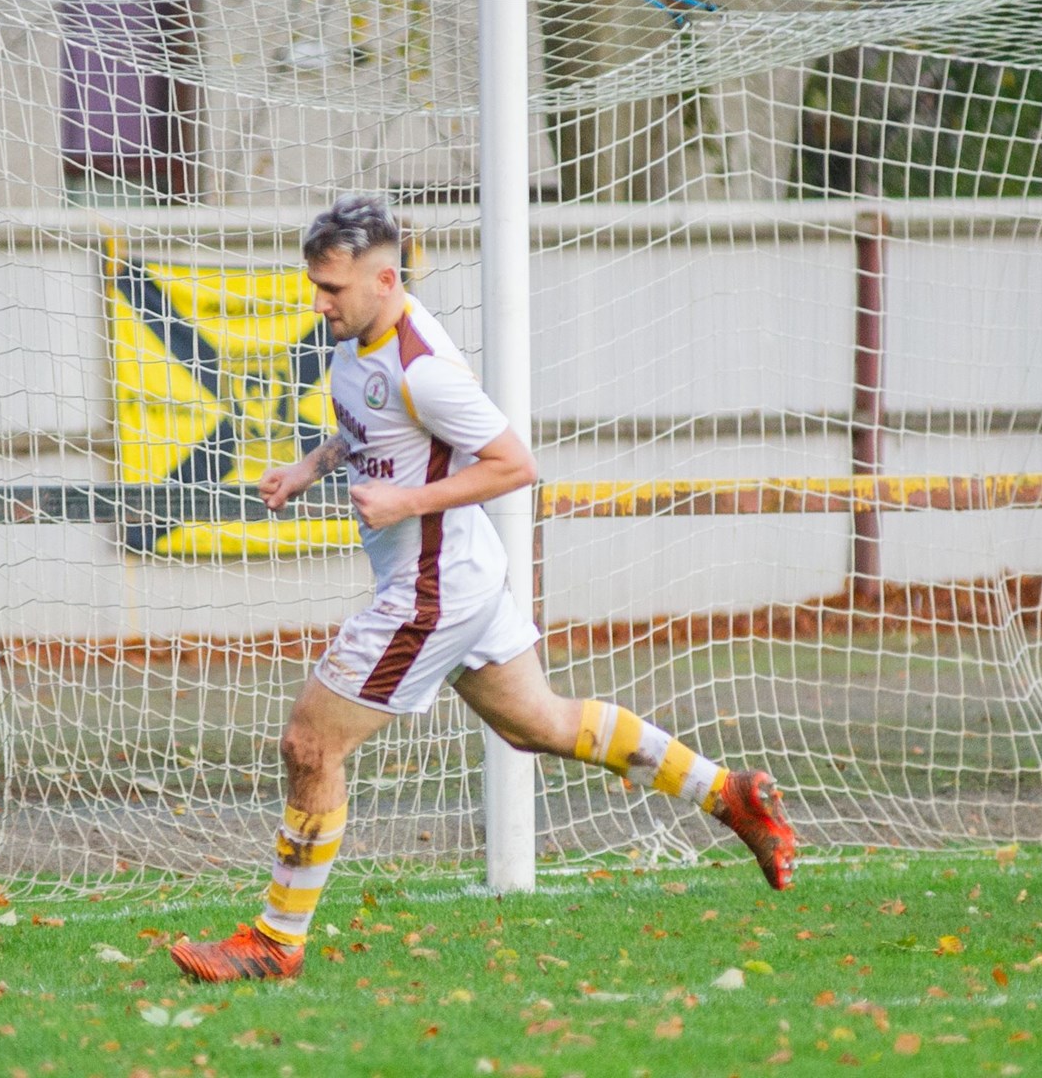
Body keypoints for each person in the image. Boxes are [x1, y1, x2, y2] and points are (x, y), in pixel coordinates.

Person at [170, 193, 795, 983]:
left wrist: (404, 502)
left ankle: (274, 941)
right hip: (461, 572)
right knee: (541, 724)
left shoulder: (426, 369)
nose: (317, 300)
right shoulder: (361, 337)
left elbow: (515, 465)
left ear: (384, 278)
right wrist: (309, 468)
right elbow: (371, 423)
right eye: (316, 284)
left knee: (309, 743)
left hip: (435, 587)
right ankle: (731, 794)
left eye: (331, 287)